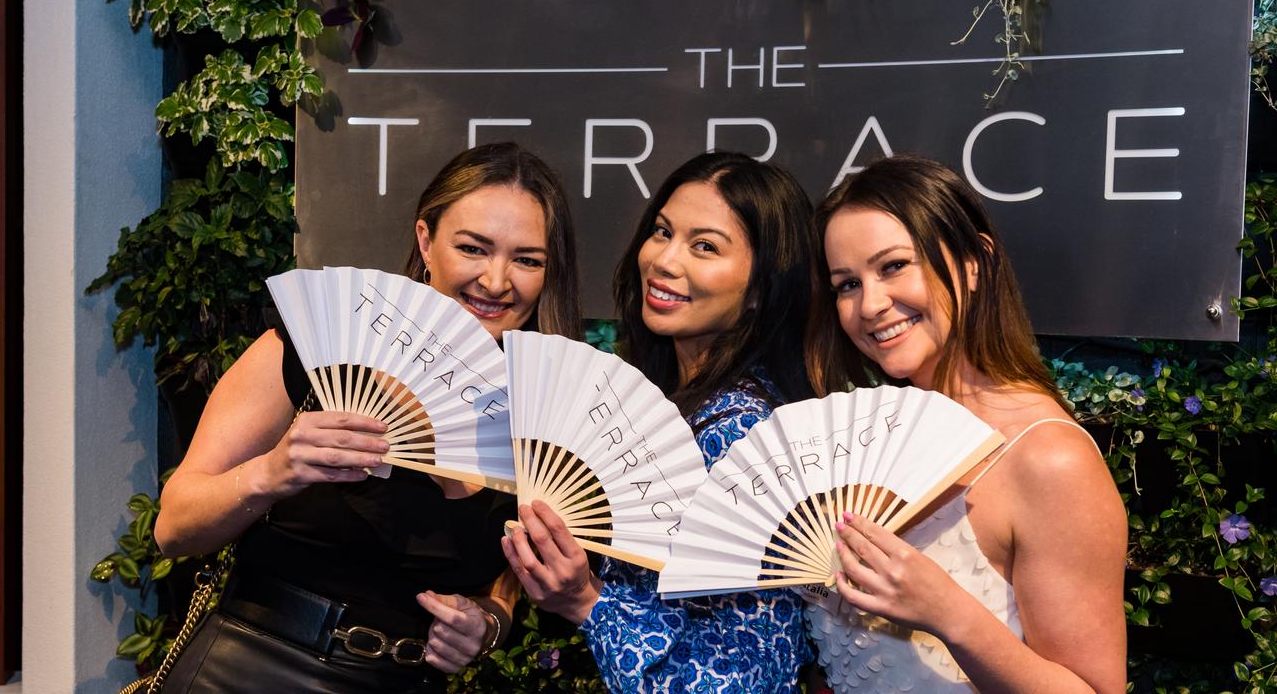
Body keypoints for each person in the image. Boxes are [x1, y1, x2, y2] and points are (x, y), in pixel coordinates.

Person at [152, 142, 584, 693]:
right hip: (251, 672)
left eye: (527, 259)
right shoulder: (313, 351)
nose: (497, 281)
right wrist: (271, 473)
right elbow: (173, 530)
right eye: (473, 248)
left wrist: (486, 624)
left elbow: (502, 588)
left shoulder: (541, 424)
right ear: (426, 241)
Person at [502, 151, 821, 693]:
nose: (664, 260)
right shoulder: (669, 403)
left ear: (761, 290)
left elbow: (743, 677)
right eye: (662, 231)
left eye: (704, 246)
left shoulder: (742, 436)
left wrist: (586, 602)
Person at [805, 154, 1126, 693]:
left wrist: (950, 614)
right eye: (847, 285)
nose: (871, 304)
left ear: (974, 262)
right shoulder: (863, 443)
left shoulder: (1047, 459)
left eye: (892, 266)